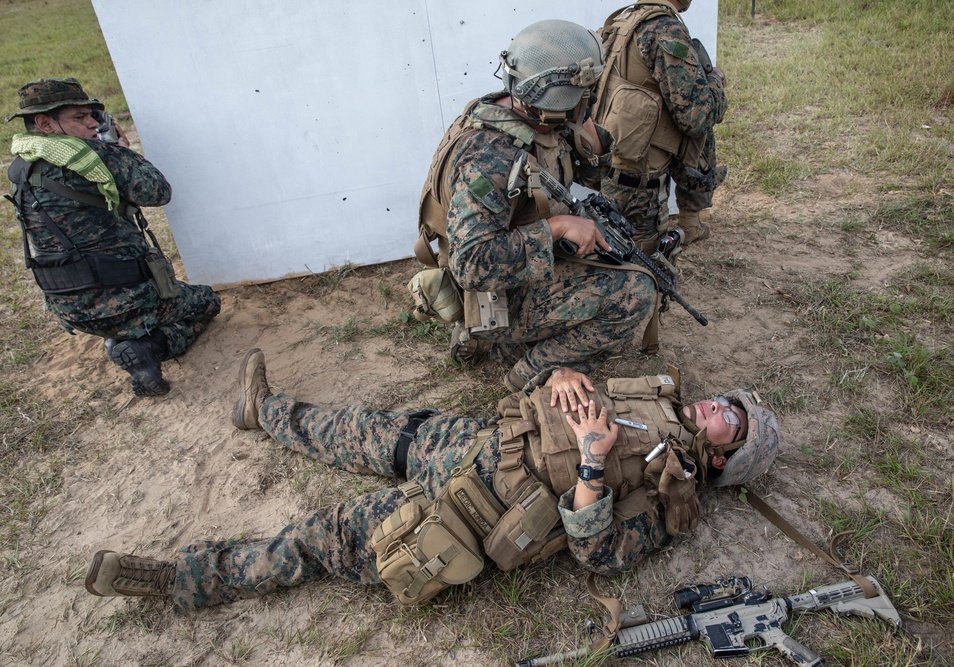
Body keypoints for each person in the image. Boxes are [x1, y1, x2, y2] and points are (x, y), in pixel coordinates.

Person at [84, 347, 779, 609]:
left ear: (724, 460)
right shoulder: (659, 400)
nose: (717, 407)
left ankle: (179, 579)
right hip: (473, 441)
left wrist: (594, 461)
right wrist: (562, 374)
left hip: (469, 511)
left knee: (322, 538)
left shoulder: (676, 493)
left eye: (732, 420)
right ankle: (263, 411)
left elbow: (600, 554)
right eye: (727, 401)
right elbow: (560, 388)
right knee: (362, 428)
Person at [413, 19, 657, 393]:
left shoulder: (529, 115)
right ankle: (526, 370)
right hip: (490, 296)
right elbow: (472, 265)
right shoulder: (491, 158)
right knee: (635, 292)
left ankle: (495, 343)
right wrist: (557, 228)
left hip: (511, 275)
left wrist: (582, 118)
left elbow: (594, 174)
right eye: (586, 93)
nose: (592, 97)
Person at [4, 78, 220, 396]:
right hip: (128, 299)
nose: (93, 123)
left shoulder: (19, 168)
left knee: (128, 313)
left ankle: (121, 335)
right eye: (80, 117)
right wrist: (121, 152)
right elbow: (158, 192)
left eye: (92, 115)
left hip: (70, 307)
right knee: (207, 302)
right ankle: (148, 346)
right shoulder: (93, 156)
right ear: (45, 123)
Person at [592, 0, 728, 252]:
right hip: (640, 185)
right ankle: (686, 223)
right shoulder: (665, 28)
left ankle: (689, 221)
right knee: (643, 262)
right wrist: (716, 82)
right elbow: (697, 118)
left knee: (616, 249)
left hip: (612, 164)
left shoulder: (626, 19)